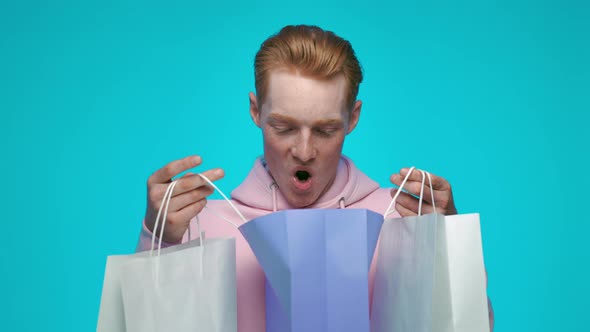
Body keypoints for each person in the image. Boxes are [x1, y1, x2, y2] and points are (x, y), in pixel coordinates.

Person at [136, 25, 494, 331]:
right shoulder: (197, 224)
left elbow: (475, 326)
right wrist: (158, 239)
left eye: (325, 130)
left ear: (353, 119)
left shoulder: (403, 216)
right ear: (255, 110)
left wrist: (445, 238)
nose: (304, 151)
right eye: (284, 126)